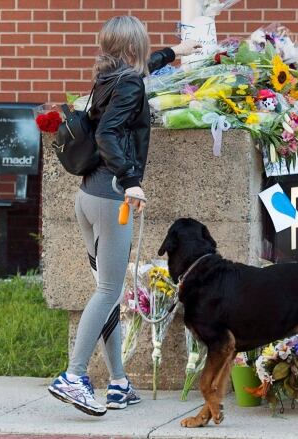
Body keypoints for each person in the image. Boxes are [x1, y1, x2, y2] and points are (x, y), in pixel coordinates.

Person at [48, 15, 200, 416]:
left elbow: (138, 76)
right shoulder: (129, 82)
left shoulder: (109, 77)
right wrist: (131, 180)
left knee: (109, 291)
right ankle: (74, 376)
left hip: (87, 198)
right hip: (112, 198)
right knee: (109, 292)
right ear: (135, 46)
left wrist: (175, 53)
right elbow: (108, 134)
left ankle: (117, 383)